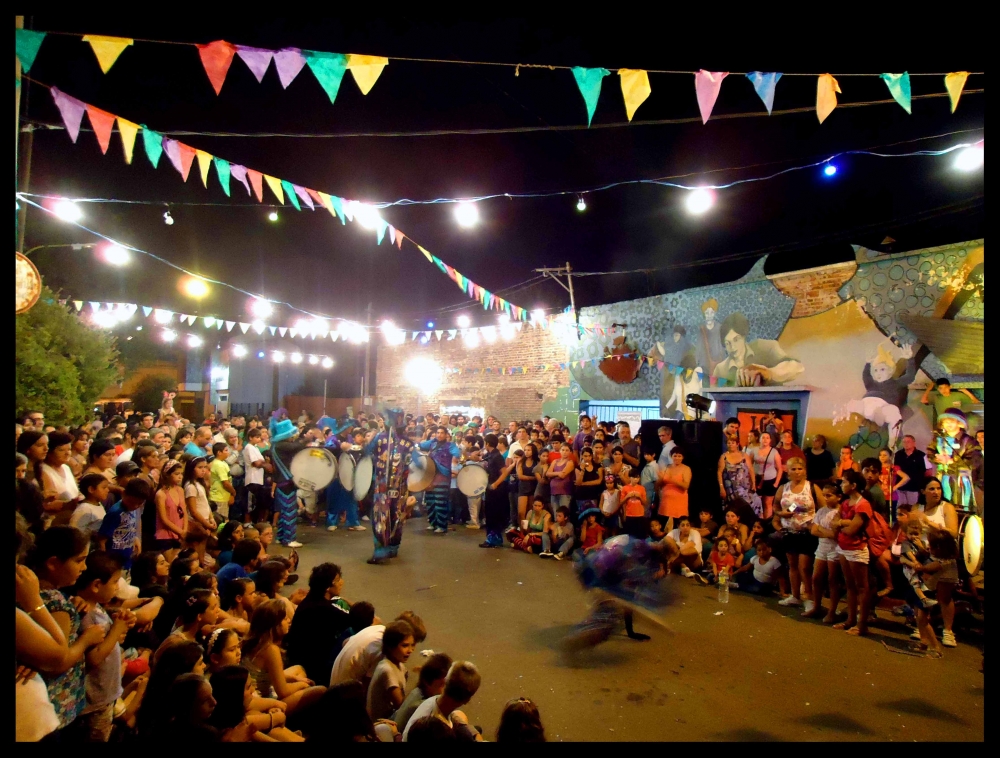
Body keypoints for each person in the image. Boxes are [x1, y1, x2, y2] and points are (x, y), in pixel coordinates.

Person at [30, 526, 108, 731]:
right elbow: (58, 660)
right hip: (56, 706)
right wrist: (86, 640)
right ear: (53, 563)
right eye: (79, 560)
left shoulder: (37, 592)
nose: (84, 568)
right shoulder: (56, 603)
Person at [71, 551, 135, 742]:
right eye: (115, 582)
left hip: (105, 697)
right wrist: (117, 629)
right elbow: (94, 658)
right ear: (97, 585)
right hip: (94, 702)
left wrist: (119, 622)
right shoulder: (86, 614)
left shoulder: (96, 607)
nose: (117, 587)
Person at [242, 598, 326, 711]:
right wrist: (302, 685)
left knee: (299, 669)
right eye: (285, 618)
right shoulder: (270, 649)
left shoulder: (255, 640)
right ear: (275, 624)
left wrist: (295, 678)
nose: (289, 621)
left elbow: (264, 673)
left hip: (261, 689)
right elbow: (283, 692)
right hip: (264, 701)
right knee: (320, 690)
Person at [283, 563, 352, 684]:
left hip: (300, 658)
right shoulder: (323, 609)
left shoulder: (309, 601)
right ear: (327, 587)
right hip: (315, 668)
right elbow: (361, 619)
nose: (342, 582)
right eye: (337, 580)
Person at [911, 477, 960, 647]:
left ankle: (948, 630)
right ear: (923, 491)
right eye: (931, 489)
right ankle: (921, 627)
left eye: (938, 488)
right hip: (924, 553)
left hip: (944, 557)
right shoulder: (918, 508)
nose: (936, 492)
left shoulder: (946, 507)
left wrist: (929, 523)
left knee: (944, 596)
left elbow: (952, 533)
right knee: (922, 594)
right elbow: (912, 529)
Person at [364, 409, 415, 563]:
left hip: (383, 488)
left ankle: (381, 551)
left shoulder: (379, 438)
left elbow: (366, 453)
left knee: (382, 517)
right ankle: (393, 548)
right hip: (400, 488)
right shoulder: (409, 443)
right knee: (397, 516)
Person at [772, 457, 822, 612]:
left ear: (805, 470)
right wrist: (781, 513)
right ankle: (795, 595)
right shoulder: (783, 488)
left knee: (805, 566)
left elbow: (824, 507)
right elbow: (775, 505)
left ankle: (809, 597)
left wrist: (817, 524)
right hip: (789, 532)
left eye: (800, 468)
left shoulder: (812, 487)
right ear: (788, 471)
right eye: (793, 469)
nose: (797, 472)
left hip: (806, 533)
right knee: (792, 565)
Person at [830, 470, 873, 635]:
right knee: (849, 585)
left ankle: (862, 624)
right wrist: (844, 523)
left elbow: (852, 529)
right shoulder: (847, 503)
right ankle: (850, 620)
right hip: (843, 546)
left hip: (856, 549)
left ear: (853, 485)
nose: (841, 485)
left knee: (862, 587)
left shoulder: (863, 505)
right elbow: (837, 523)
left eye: (844, 482)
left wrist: (841, 523)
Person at [713, 312, 804, 386]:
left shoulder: (765, 347)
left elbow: (797, 367)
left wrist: (769, 373)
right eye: (727, 343)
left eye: (736, 339)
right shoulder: (720, 370)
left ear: (744, 336)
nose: (733, 347)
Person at [402, 661, 482, 741]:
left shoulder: (433, 700)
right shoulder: (436, 729)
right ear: (466, 700)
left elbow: (455, 716)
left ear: (445, 681)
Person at [802, 481, 842, 619]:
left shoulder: (840, 512)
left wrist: (821, 529)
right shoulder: (821, 511)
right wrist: (825, 531)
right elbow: (813, 530)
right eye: (824, 495)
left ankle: (832, 611)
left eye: (829, 495)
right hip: (822, 547)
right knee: (816, 578)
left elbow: (835, 535)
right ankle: (817, 606)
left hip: (835, 549)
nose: (825, 498)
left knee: (832, 580)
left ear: (838, 496)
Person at [929, 408, 981, 511]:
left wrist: (953, 460)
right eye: (946, 422)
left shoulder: (969, 440)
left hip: (961, 479)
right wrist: (937, 458)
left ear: (959, 423)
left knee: (962, 507)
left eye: (951, 421)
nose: (948, 424)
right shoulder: (939, 439)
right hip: (943, 477)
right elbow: (930, 452)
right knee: (943, 506)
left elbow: (975, 460)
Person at [97, 478, 153, 570]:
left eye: (139, 503)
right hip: (114, 563)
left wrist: (135, 539)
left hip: (127, 560)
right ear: (123, 494)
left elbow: (129, 527)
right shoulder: (115, 512)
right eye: (132, 502)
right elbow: (102, 540)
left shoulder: (133, 509)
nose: (135, 506)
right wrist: (104, 563)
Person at [367, 619, 415, 720]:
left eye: (412, 645)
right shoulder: (387, 670)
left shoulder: (400, 666)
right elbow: (402, 707)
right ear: (390, 646)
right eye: (405, 645)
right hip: (380, 723)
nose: (410, 650)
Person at [418, 426, 462, 534]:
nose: (439, 435)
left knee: (440, 502)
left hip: (442, 476)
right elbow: (421, 445)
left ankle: (442, 526)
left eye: (442, 433)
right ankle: (433, 523)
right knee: (430, 501)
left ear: (446, 434)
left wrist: (451, 448)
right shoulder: (432, 444)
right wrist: (433, 439)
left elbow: (457, 454)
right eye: (437, 433)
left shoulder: (449, 445)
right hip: (430, 476)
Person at [392, 653, 452, 732]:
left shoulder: (417, 691)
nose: (447, 689)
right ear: (427, 682)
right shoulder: (425, 709)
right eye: (442, 685)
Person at [480, 434, 517, 548]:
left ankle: (494, 539)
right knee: (490, 514)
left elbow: (505, 472)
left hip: (496, 490)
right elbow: (480, 458)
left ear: (487, 443)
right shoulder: (490, 455)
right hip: (490, 488)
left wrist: (496, 484)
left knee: (493, 514)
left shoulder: (497, 456)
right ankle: (492, 538)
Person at [154, 459, 187, 560]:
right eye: (177, 474)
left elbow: (184, 512)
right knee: (171, 563)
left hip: (180, 532)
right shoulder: (161, 494)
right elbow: (163, 519)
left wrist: (184, 530)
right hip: (166, 534)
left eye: (181, 474)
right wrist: (180, 532)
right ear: (167, 474)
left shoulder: (180, 490)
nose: (180, 477)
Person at [718, 434, 758, 515]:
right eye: (728, 443)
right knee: (733, 510)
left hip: (745, 488)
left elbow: (751, 470)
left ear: (737, 444)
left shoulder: (744, 456)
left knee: (749, 507)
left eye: (733, 442)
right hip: (730, 489)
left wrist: (754, 483)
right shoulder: (723, 457)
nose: (730, 444)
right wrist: (721, 487)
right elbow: (719, 472)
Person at [657, 447, 691, 531]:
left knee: (678, 526)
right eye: (675, 456)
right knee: (663, 525)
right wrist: (660, 479)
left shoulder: (686, 469)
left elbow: (686, 486)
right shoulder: (666, 467)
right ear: (671, 456)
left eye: (679, 456)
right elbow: (659, 485)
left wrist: (671, 479)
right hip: (666, 502)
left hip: (679, 503)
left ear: (683, 457)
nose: (677, 458)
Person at [894, 435, 932, 507]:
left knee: (913, 508)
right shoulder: (898, 455)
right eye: (904, 442)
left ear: (914, 443)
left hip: (914, 488)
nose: (906, 444)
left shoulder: (922, 455)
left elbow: (928, 471)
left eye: (908, 442)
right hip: (900, 487)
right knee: (900, 509)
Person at [243, 427, 270, 522]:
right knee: (250, 504)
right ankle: (248, 522)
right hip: (252, 479)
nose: (259, 439)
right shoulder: (249, 447)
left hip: (258, 479)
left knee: (259, 503)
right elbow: (256, 463)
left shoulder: (254, 447)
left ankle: (258, 521)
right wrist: (265, 464)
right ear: (250, 437)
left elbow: (261, 461)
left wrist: (263, 462)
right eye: (257, 437)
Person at [753, 432, 782, 519]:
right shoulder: (754, 450)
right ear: (759, 439)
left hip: (770, 480)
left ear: (770, 440)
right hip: (757, 480)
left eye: (767, 438)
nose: (765, 439)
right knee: (757, 502)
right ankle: (758, 522)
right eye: (763, 437)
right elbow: (749, 465)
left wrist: (776, 483)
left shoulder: (774, 452)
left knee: (767, 503)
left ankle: (767, 522)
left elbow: (779, 469)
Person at [546, 442, 576, 515]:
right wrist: (558, 473)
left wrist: (553, 474)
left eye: (567, 450)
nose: (564, 452)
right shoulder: (555, 461)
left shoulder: (570, 462)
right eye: (563, 450)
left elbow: (563, 475)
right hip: (553, 491)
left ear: (570, 452)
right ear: (560, 451)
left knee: (563, 514)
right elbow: (547, 474)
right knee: (556, 515)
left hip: (564, 492)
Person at [620, 473, 649, 539]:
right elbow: (621, 502)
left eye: (638, 478)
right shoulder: (625, 488)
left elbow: (645, 503)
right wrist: (627, 496)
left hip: (640, 515)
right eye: (634, 477)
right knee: (629, 536)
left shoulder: (642, 488)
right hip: (629, 515)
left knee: (640, 536)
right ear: (630, 478)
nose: (636, 479)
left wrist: (639, 497)